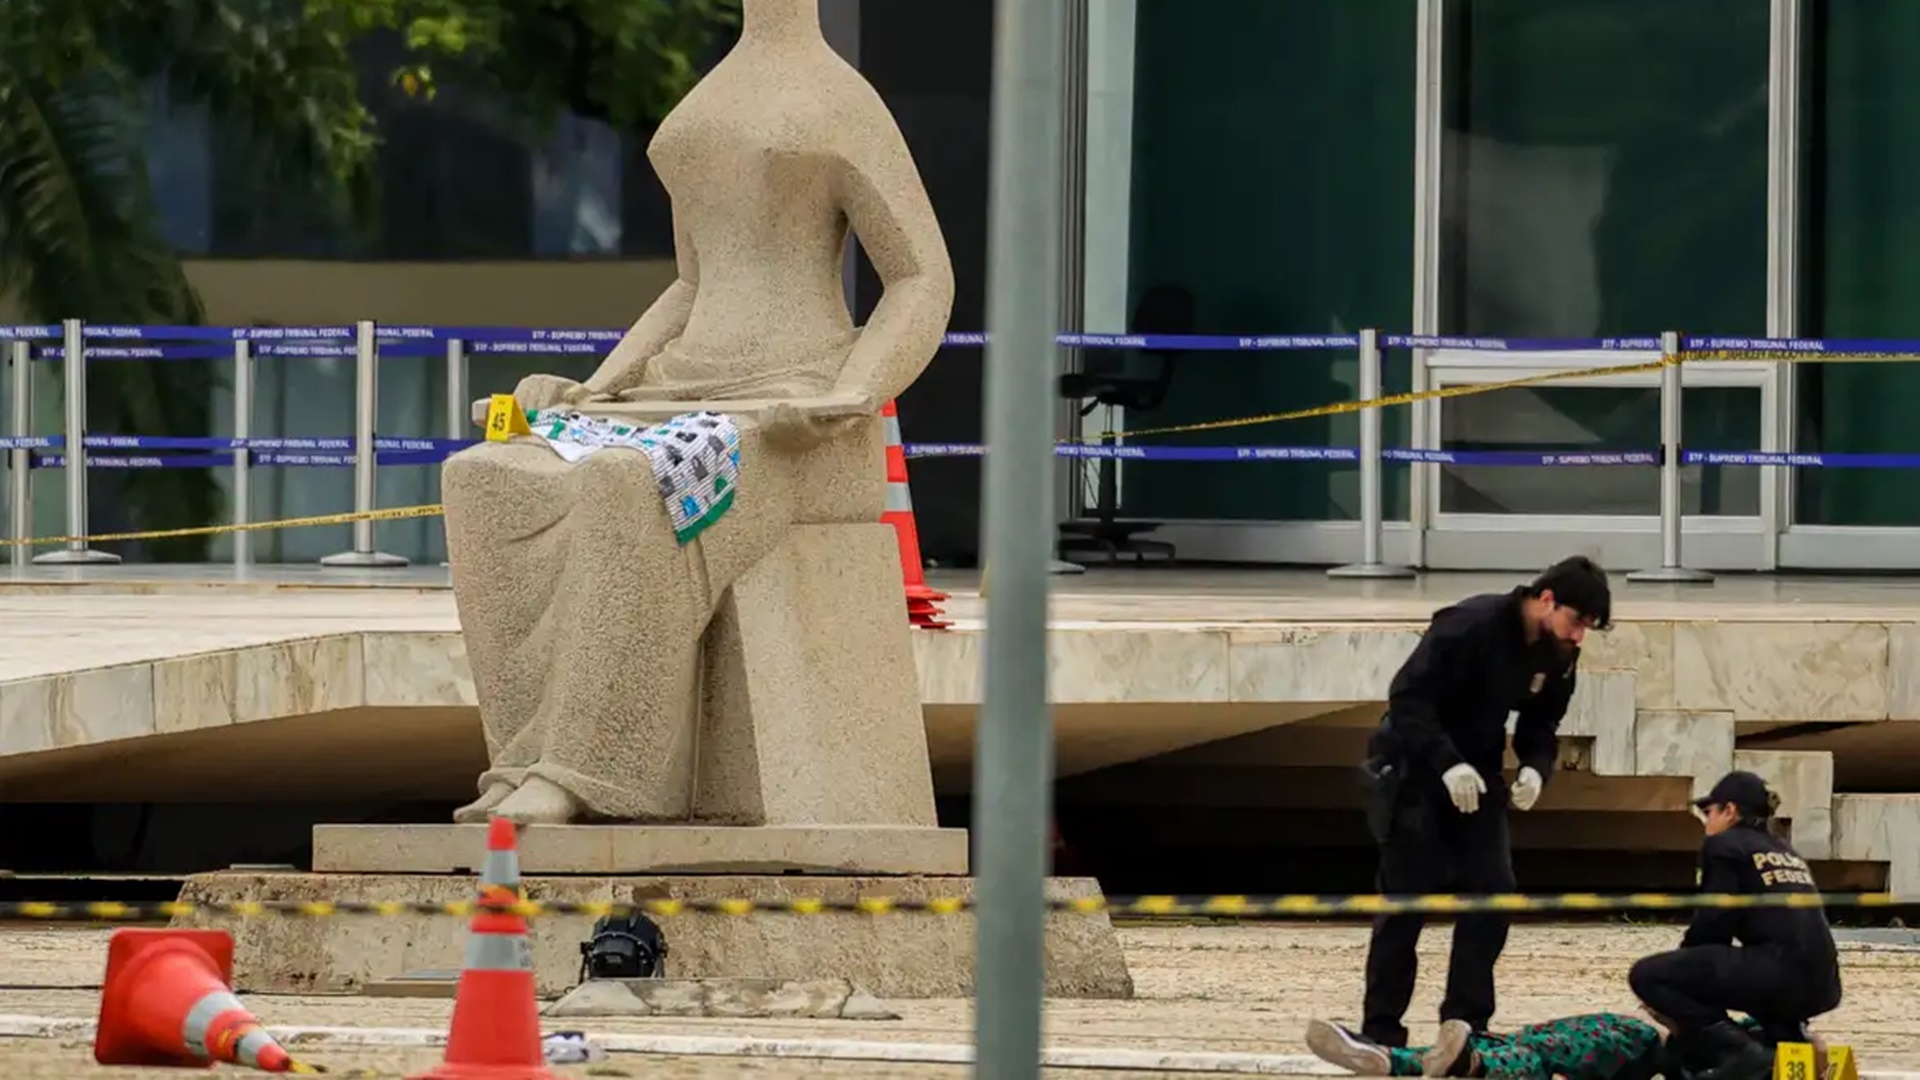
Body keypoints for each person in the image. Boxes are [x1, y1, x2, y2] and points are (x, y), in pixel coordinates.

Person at [1341, 556, 1613, 1052]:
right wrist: (1446, 764)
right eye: (1577, 621)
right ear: (1546, 599)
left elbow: (1541, 722)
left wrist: (1534, 766)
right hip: (1415, 768)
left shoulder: (1558, 653)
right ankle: (1381, 1030)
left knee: (1493, 892)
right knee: (1407, 901)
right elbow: (1407, 698)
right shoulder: (1470, 624)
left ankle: (1465, 1024)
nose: (1579, 637)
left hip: (1480, 775)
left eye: (1588, 629)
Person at [1628, 770, 1843, 1080]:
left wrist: (1681, 975)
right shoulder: (1785, 850)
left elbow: (1714, 920)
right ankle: (1789, 1043)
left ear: (1729, 811)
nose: (1706, 822)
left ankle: (1739, 1050)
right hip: (1823, 985)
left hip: (1779, 973)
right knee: (1755, 976)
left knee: (1648, 975)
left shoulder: (1724, 845)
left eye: (1708, 812)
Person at [1304, 1014, 1827, 1080]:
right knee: (1529, 1042)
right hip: (1645, 1050)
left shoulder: (1775, 1057)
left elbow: (1821, 1054)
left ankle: (1471, 1063)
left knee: (1541, 1051)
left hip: (1646, 1056)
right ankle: (1388, 1060)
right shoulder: (1764, 1031)